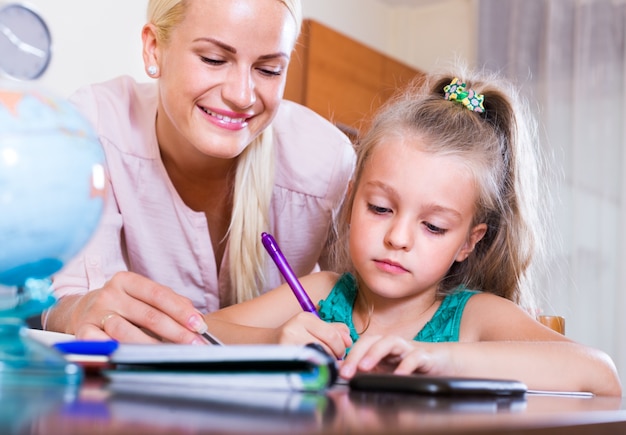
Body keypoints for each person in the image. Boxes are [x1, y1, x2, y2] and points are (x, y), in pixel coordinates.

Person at [204, 68, 622, 396]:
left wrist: (439, 359)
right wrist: (276, 339)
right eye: (380, 208)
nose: (398, 237)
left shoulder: (472, 316)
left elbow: (600, 374)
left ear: (468, 242)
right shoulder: (322, 293)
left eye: (434, 226)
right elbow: (197, 331)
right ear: (351, 201)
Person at [43, 0, 355, 344]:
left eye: (268, 70)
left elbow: (366, 311)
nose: (241, 95)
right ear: (153, 49)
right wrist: (76, 310)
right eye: (213, 60)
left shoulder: (327, 162)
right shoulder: (95, 126)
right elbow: (67, 298)